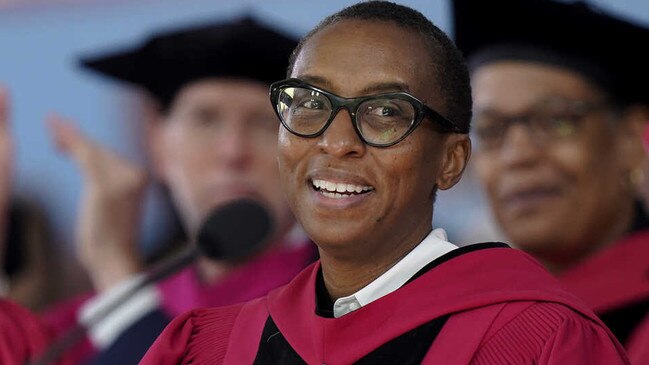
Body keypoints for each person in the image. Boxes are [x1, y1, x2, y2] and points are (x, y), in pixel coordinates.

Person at [141, 2, 629, 364]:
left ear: (451, 160)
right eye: (310, 103)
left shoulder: (536, 341)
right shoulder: (206, 348)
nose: (336, 142)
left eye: (386, 113)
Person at [38, 16, 316, 364]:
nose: (232, 151)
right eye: (206, 119)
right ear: (157, 144)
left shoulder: (340, 304)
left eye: (262, 123)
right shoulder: (83, 324)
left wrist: (116, 270)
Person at [453, 0, 649, 362]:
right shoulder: (461, 321)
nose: (517, 155)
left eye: (556, 120)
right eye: (490, 130)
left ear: (628, 139)